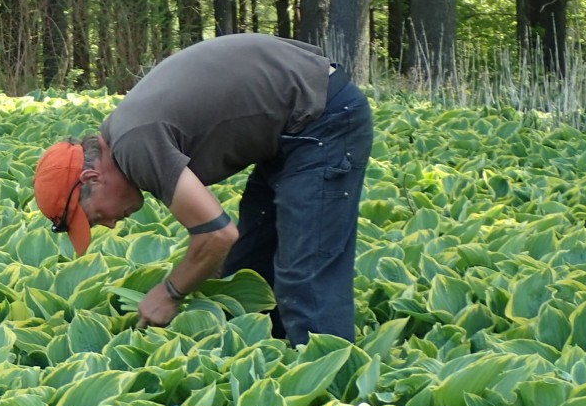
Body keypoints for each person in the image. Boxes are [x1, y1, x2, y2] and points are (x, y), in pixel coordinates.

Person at [33, 33, 373, 346]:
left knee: (306, 273)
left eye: (94, 218)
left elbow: (217, 235)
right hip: (290, 130)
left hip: (322, 118)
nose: (109, 224)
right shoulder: (124, 136)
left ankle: (330, 393)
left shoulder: (135, 145)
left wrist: (169, 293)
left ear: (92, 179)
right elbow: (218, 246)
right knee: (250, 268)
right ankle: (278, 361)